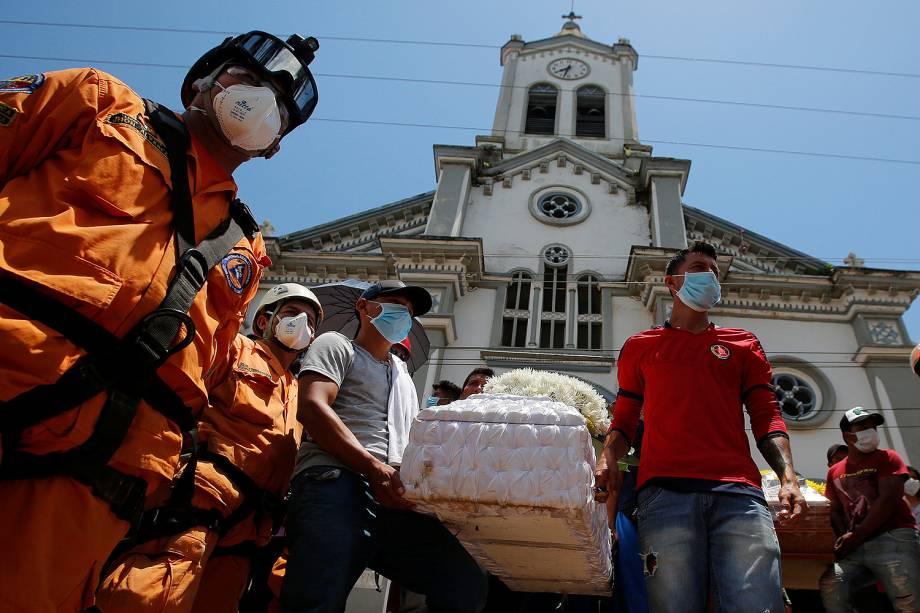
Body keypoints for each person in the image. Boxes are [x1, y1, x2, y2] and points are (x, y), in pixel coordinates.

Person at [0, 30, 319, 612]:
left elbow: (210, 370)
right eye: (247, 78)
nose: (261, 99)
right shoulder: (99, 106)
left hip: (101, 474)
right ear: (200, 81)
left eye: (280, 102)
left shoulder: (245, 246)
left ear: (275, 145)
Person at [597, 241, 807, 613]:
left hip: (740, 496)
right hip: (664, 496)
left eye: (713, 269)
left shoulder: (743, 344)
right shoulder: (640, 347)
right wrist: (607, 458)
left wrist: (788, 477)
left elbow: (766, 414)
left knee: (757, 605)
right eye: (698, 267)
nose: (709, 275)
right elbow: (625, 419)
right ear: (672, 283)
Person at [95, 283, 324, 612]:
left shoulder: (300, 390)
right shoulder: (235, 349)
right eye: (291, 313)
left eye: (311, 321)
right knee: (151, 597)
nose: (302, 323)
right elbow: (180, 397)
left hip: (250, 529)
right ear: (264, 321)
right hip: (198, 502)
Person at [281, 280, 487, 612]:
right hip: (334, 483)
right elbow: (312, 407)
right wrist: (372, 467)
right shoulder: (336, 346)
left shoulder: (402, 374)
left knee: (463, 580)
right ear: (363, 307)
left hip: (390, 495)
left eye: (408, 312)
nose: (402, 315)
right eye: (393, 304)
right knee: (316, 598)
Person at [820, 407, 920, 613]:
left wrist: (853, 537)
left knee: (907, 601)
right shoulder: (834, 472)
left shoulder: (888, 457)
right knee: (833, 584)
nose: (870, 430)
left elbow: (888, 501)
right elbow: (835, 509)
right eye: (862, 426)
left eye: (873, 426)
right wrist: (842, 538)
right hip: (858, 548)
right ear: (847, 434)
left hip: (894, 539)